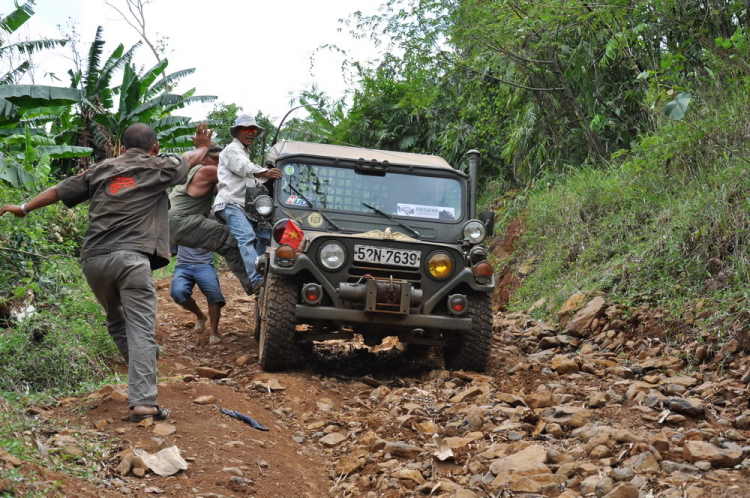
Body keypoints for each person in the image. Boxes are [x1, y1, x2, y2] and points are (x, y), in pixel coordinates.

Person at [0, 123, 213, 422]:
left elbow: (59, 191)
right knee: (140, 329)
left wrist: (22, 208)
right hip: (132, 260)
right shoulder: (159, 166)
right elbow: (190, 158)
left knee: (116, 322)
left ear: (123, 149)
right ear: (154, 148)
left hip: (94, 261)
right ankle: (144, 403)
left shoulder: (100, 169)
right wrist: (203, 146)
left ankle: (144, 365)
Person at [168, 144, 254, 294]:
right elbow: (239, 179)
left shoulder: (196, 173)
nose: (220, 164)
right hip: (183, 221)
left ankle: (252, 281)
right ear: (203, 159)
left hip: (175, 222)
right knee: (230, 240)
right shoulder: (206, 170)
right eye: (216, 159)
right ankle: (254, 283)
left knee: (225, 233)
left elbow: (224, 193)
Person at [213, 115, 282, 293]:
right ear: (237, 131)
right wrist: (265, 172)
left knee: (266, 237)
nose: (251, 133)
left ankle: (264, 273)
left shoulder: (245, 152)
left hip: (245, 207)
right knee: (247, 236)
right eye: (247, 129)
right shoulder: (232, 151)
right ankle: (256, 278)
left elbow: (253, 183)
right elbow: (244, 168)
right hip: (230, 203)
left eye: (254, 130)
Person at [169, 245, 225, 345]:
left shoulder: (210, 229)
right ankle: (200, 315)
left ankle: (214, 333)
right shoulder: (180, 229)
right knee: (178, 293)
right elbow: (172, 247)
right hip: (183, 266)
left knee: (215, 296)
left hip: (205, 265)